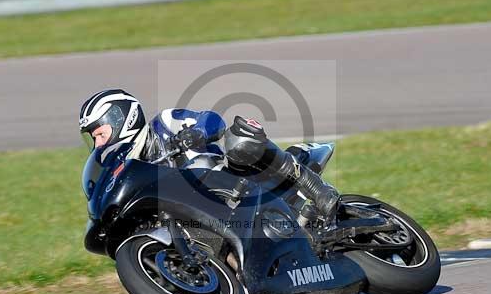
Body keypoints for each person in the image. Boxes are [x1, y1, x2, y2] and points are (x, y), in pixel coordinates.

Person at [78, 88, 340, 221]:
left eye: (100, 134)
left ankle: (314, 187)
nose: (98, 144)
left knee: (239, 139)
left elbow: (212, 120)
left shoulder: (164, 124)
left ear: (123, 117)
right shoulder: (131, 170)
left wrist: (197, 133)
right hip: (206, 214)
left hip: (237, 180)